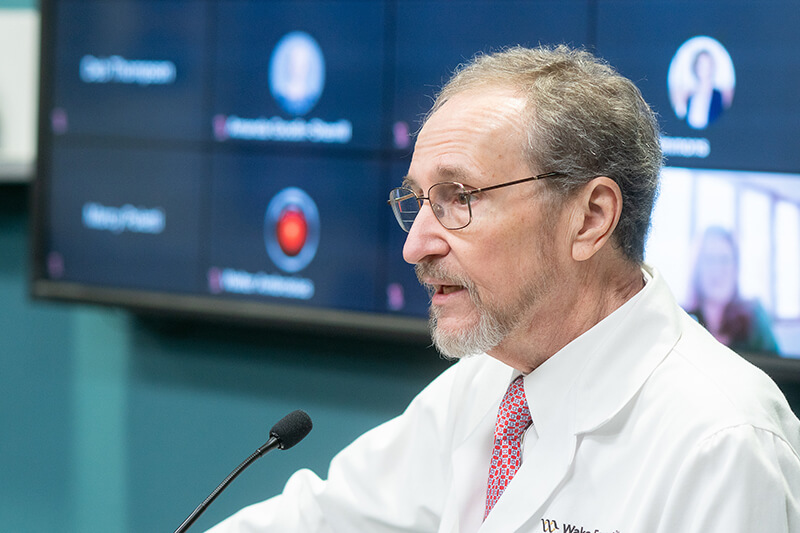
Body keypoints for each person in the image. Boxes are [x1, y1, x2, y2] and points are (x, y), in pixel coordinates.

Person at [208, 45, 800, 532]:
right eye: (417, 201)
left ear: (590, 218)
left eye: (459, 197)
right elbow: (320, 521)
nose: (416, 246)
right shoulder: (492, 379)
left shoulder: (722, 442)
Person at [685, 226, 780, 356]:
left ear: (736, 268)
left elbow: (777, 371)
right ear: (697, 268)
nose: (717, 269)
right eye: (710, 259)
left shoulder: (755, 316)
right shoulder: (683, 320)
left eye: (724, 260)